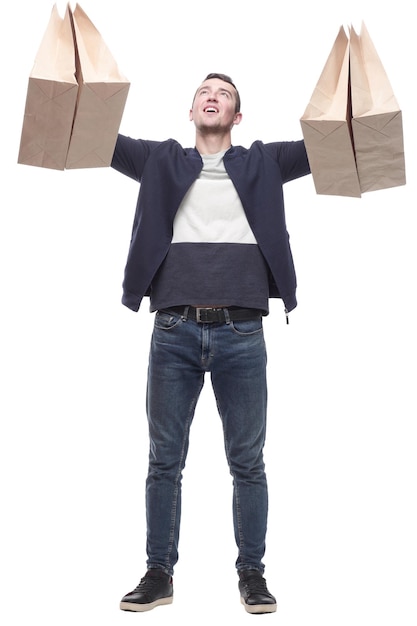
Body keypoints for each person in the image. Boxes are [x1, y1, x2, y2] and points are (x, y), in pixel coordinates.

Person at [112, 73, 311, 614]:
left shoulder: (264, 162)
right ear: (192, 110)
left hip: (242, 331)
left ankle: (252, 575)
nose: (212, 96)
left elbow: (331, 144)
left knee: (248, 462)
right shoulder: (160, 160)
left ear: (237, 117)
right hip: (173, 330)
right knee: (163, 461)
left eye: (224, 93)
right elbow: (95, 136)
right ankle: (159, 573)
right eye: (204, 91)